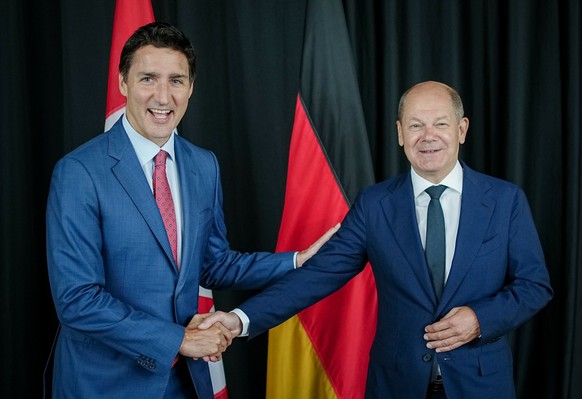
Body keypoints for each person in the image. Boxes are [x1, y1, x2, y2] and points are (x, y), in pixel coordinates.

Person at [199, 81, 554, 398]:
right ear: (400, 133)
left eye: (440, 123)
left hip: (481, 384)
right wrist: (239, 319)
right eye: (415, 125)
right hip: (397, 384)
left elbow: (534, 285)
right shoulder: (374, 204)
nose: (427, 136)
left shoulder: (506, 200)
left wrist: (480, 318)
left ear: (461, 129)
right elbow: (316, 276)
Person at [45, 22, 337, 399]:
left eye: (176, 80)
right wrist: (178, 339)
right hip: (104, 383)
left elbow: (213, 263)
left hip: (185, 383)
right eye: (148, 78)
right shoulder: (79, 171)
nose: (163, 96)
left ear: (191, 87)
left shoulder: (202, 165)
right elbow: (77, 300)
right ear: (123, 83)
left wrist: (296, 260)